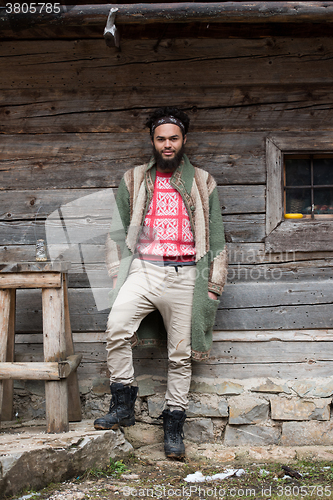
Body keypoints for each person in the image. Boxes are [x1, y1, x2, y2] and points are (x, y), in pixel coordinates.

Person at [94, 107, 227, 459]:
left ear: (183, 140)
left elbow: (217, 239)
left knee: (180, 356)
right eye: (160, 139)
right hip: (143, 270)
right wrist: (116, 276)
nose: (167, 145)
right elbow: (116, 231)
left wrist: (213, 285)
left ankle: (173, 429)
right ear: (152, 141)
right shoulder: (135, 179)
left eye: (173, 138)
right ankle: (122, 403)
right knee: (116, 327)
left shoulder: (203, 181)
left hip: (186, 276)